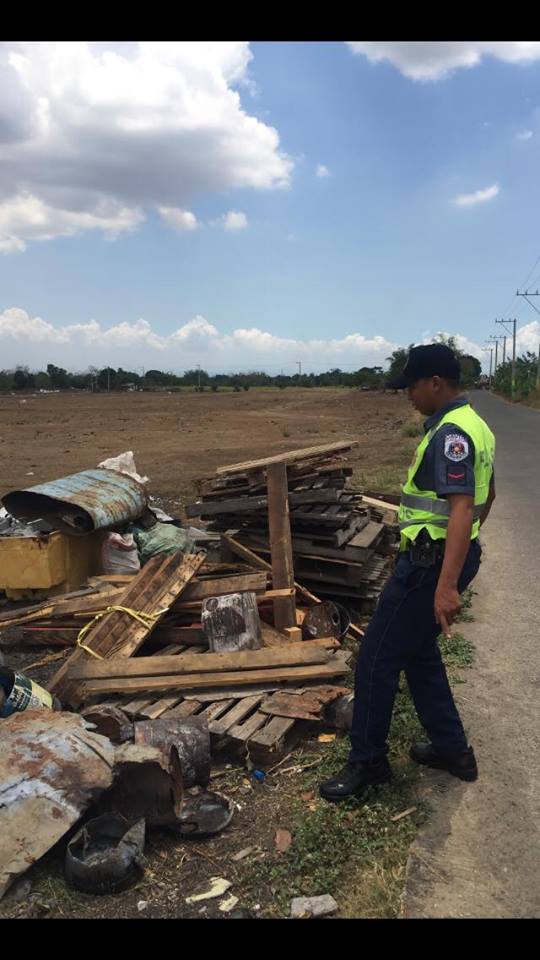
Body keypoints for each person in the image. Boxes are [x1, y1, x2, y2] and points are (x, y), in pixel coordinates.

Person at [319, 343, 496, 802]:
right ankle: (452, 751)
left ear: (435, 383)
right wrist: (468, 545)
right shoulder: (475, 424)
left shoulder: (450, 433)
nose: (408, 396)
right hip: (444, 558)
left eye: (412, 386)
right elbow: (487, 495)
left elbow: (460, 506)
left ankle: (368, 763)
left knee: (376, 661)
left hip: (428, 565)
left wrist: (447, 582)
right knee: (419, 655)